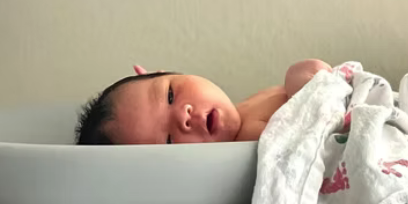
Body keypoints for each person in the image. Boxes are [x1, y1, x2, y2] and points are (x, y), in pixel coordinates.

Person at [75, 59, 331, 144]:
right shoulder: (249, 137)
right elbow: (315, 135)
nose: (183, 116)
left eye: (170, 96)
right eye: (169, 140)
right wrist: (303, 81)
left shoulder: (245, 107)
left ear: (168, 72)